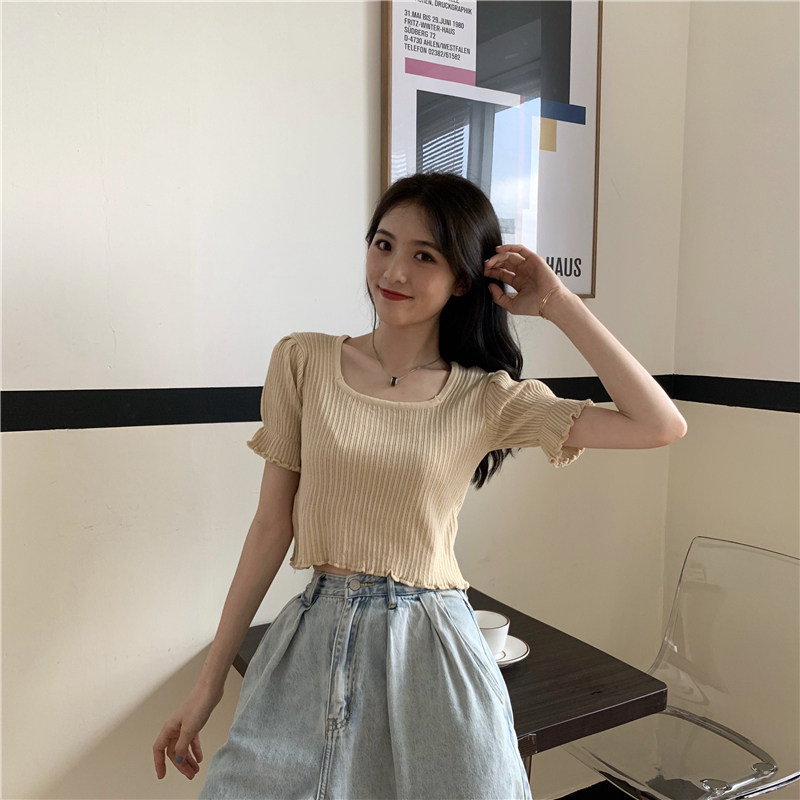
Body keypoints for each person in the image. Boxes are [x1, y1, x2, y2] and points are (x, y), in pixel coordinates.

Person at [153, 171, 687, 798]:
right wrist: (209, 684)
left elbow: (660, 425)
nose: (394, 271)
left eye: (424, 256)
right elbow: (271, 527)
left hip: (433, 648)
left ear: (462, 279)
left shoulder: (485, 397)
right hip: (312, 640)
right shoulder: (303, 361)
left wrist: (557, 303)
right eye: (383, 244)